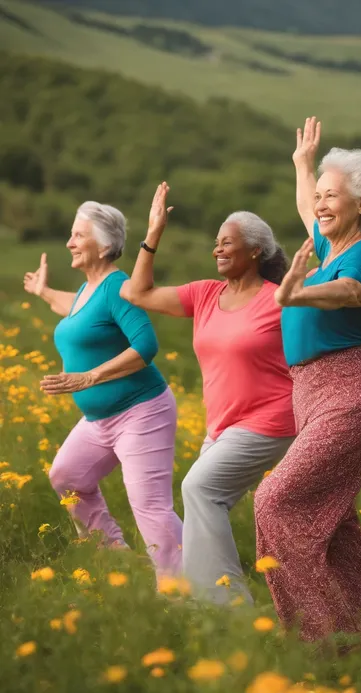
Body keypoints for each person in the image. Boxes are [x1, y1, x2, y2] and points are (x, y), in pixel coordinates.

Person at [253, 117, 361, 641]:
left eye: (332, 196)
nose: (320, 204)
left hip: (352, 391)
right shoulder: (328, 249)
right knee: (333, 521)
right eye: (320, 196)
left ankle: (328, 639)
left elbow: (350, 294)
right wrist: (304, 165)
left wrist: (296, 294)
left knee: (275, 501)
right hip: (313, 393)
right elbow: (307, 210)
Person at [120, 182, 296, 603]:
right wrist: (153, 234)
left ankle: (227, 609)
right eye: (215, 243)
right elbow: (136, 293)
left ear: (255, 251)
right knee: (203, 505)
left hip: (270, 421)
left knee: (198, 490)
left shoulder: (280, 300)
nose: (217, 250)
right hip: (221, 428)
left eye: (227, 243)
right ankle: (198, 602)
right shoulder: (205, 294)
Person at [23, 201, 182, 575]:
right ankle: (116, 558)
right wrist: (44, 292)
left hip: (142, 412)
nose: (69, 243)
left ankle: (186, 594)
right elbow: (76, 310)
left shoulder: (117, 286)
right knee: (67, 477)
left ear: (104, 244)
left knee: (150, 507)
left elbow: (146, 345)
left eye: (78, 235)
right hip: (100, 420)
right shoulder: (87, 290)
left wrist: (89, 377)